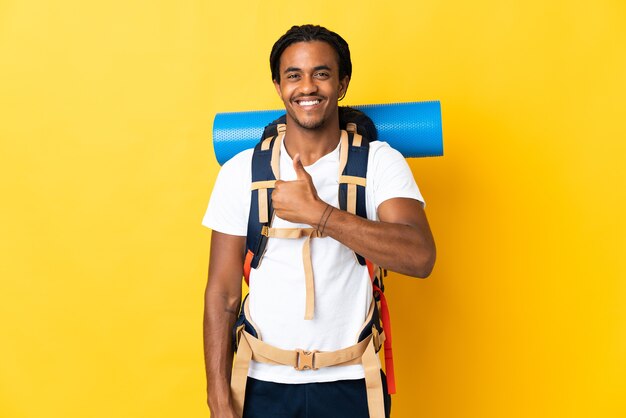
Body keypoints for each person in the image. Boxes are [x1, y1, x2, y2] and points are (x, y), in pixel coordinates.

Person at [202, 24, 436, 418]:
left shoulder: (379, 163)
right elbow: (222, 294)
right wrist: (218, 397)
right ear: (278, 86)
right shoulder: (240, 171)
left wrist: (321, 215)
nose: (307, 87)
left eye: (321, 74)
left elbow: (420, 258)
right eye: (294, 75)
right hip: (259, 384)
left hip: (352, 384)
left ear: (342, 84)